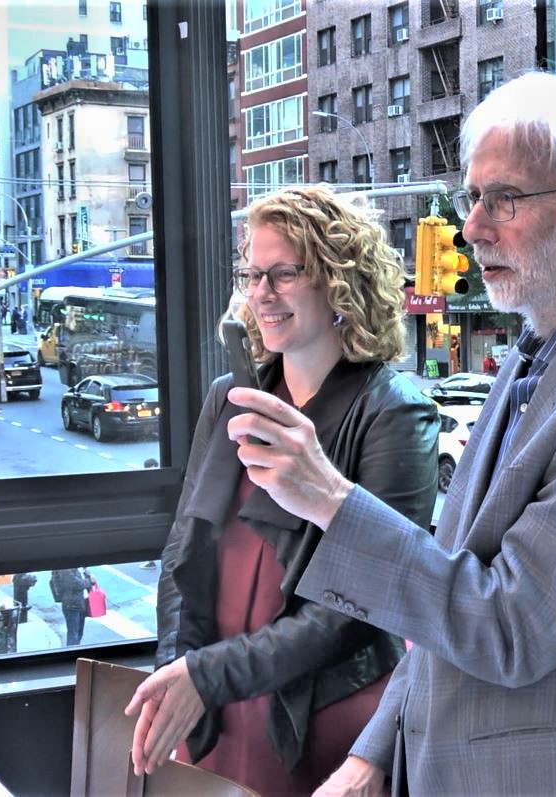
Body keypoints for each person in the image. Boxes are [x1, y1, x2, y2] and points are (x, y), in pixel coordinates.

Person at [222, 71, 556, 796]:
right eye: (473, 196)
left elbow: (512, 626)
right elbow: (449, 584)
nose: (472, 228)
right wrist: (374, 752)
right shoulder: (536, 351)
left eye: (506, 198)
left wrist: (330, 498)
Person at [124, 186, 439, 794]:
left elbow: (359, 606)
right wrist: (177, 674)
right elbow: (185, 548)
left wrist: (208, 675)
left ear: (340, 282)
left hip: (320, 715)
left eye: (284, 274)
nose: (261, 293)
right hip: (216, 703)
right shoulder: (229, 397)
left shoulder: (394, 412)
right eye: (253, 274)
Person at [50, 567, 95, 645]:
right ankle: (72, 650)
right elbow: (75, 584)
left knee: (79, 632)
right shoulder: (66, 569)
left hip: (80, 602)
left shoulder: (79, 568)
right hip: (71, 604)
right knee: (73, 634)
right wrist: (90, 581)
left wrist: (87, 574)